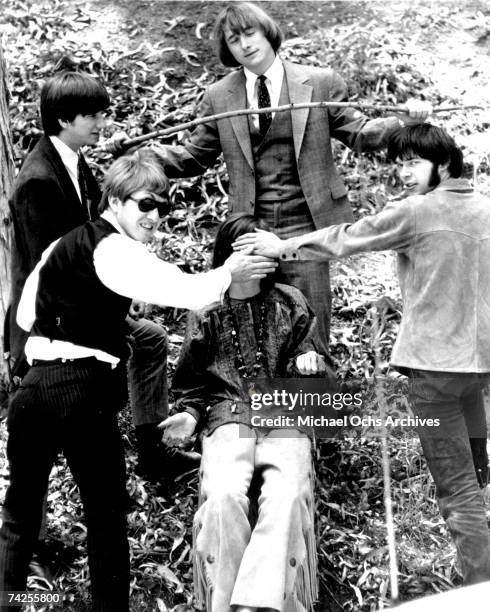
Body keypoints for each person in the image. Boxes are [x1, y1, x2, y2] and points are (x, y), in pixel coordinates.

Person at [0, 151, 277, 611]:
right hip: (81, 391)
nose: (155, 217)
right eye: (146, 205)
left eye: (163, 208)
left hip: (33, 393)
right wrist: (230, 272)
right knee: (107, 519)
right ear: (114, 200)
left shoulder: (63, 246)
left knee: (18, 519)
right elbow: (183, 290)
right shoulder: (114, 248)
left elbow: (26, 312)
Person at [234, 123, 490, 585]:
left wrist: (283, 245)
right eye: (398, 164)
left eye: (413, 162)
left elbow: (349, 237)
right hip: (480, 371)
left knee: (459, 490)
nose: (403, 174)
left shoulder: (417, 212)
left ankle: (479, 586)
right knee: (476, 473)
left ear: (445, 164)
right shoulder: (487, 209)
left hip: (434, 372)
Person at [142, 0, 430, 351]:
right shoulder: (220, 97)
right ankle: (265, 402)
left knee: (311, 327)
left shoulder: (319, 84)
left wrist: (404, 122)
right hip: (251, 227)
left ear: (268, 33)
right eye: (235, 40)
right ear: (228, 49)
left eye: (250, 33)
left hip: (307, 224)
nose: (245, 44)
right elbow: (193, 157)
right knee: (254, 327)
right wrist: (139, 154)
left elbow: (359, 134)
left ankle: (318, 402)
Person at [6, 66, 191, 484]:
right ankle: (32, 538)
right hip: (50, 323)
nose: (102, 124)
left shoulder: (71, 161)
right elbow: (52, 270)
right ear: (63, 120)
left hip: (77, 306)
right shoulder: (38, 180)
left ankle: (151, 447)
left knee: (150, 338)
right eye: (92, 115)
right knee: (49, 430)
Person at [161, 213, 334, 612]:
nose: (255, 259)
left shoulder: (291, 302)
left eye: (262, 250)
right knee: (223, 496)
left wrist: (308, 365)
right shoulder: (206, 310)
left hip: (283, 415)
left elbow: (319, 370)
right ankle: (228, 604)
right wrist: (188, 415)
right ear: (226, 257)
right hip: (228, 416)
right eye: (244, 250)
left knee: (287, 494)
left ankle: (256, 605)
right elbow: (191, 384)